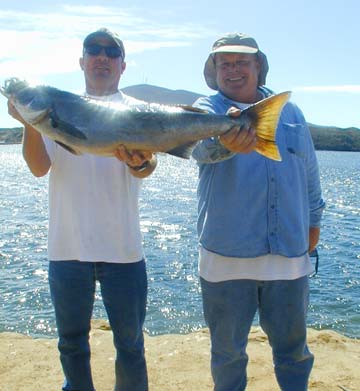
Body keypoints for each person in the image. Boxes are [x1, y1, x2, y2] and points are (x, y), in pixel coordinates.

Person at [7, 28, 157, 391]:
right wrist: (31, 122)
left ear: (123, 65)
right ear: (82, 61)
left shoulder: (138, 112)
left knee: (131, 345)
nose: (102, 57)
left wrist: (139, 163)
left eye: (111, 52)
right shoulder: (59, 107)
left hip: (124, 251)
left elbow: (147, 167)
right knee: (72, 344)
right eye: (94, 50)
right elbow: (39, 166)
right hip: (67, 249)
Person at [192, 33, 325, 391]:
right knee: (228, 355)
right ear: (214, 70)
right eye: (224, 63)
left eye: (242, 62)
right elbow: (198, 148)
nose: (233, 70)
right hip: (226, 258)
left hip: (289, 256)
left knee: (294, 352)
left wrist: (315, 219)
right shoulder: (207, 109)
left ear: (258, 67)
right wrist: (225, 141)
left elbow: (309, 170)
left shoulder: (291, 111)